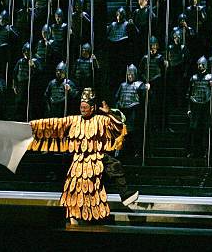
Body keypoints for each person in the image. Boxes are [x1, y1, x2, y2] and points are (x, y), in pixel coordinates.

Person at [28, 88, 138, 224]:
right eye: (81, 107)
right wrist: (28, 127)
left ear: (92, 108)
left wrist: (109, 113)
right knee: (74, 191)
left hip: (96, 158)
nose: (83, 109)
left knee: (114, 167)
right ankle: (74, 219)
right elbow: (53, 124)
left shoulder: (100, 120)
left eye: (86, 107)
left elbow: (119, 126)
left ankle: (124, 194)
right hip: (78, 162)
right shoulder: (73, 120)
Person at [114, 64, 149, 158]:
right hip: (123, 111)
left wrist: (147, 90)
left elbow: (144, 99)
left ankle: (136, 151)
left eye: (131, 74)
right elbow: (117, 97)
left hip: (134, 111)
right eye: (128, 74)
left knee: (133, 131)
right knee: (121, 131)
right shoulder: (123, 85)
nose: (130, 76)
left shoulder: (139, 85)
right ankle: (120, 150)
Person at [186, 56, 212, 158]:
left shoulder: (210, 77)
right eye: (199, 64)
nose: (200, 66)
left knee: (205, 129)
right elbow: (189, 94)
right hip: (195, 106)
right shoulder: (193, 78)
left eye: (202, 64)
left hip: (205, 106)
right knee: (194, 129)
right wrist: (189, 109)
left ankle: (205, 151)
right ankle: (193, 151)